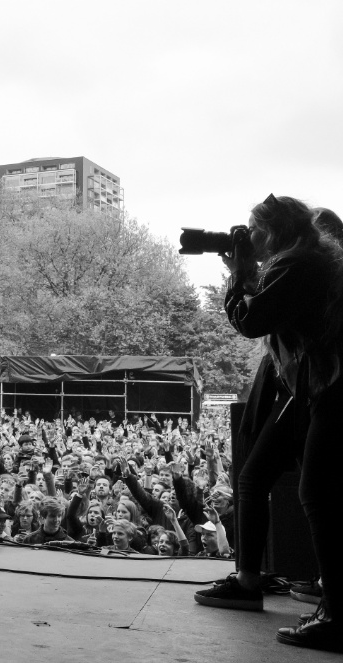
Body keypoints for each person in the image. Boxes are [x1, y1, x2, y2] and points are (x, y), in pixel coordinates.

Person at [193, 195, 343, 653]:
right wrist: (246, 271)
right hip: (315, 388)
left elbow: (252, 318)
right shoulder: (304, 262)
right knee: (258, 477)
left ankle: (337, 615)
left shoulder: (299, 265)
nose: (249, 238)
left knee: (318, 494)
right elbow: (273, 305)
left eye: (254, 230)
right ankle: (255, 581)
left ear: (274, 232)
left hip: (331, 388)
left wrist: (239, 275)